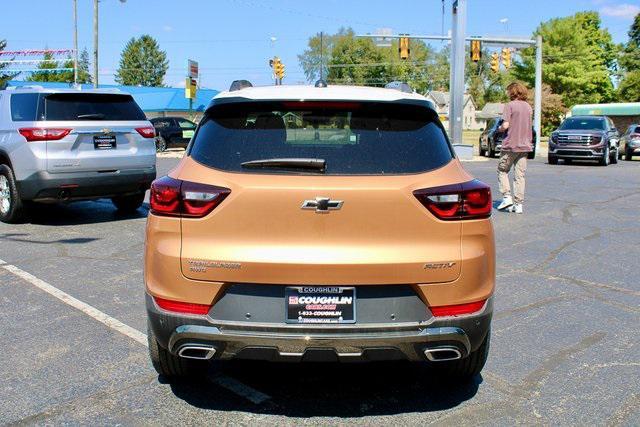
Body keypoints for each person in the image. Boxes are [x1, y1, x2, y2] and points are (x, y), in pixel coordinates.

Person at [496, 82, 533, 214]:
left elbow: (505, 125)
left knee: (502, 170)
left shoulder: (510, 106)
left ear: (512, 92)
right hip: (524, 147)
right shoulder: (529, 107)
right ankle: (519, 205)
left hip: (510, 145)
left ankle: (507, 198)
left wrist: (499, 129)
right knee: (520, 176)